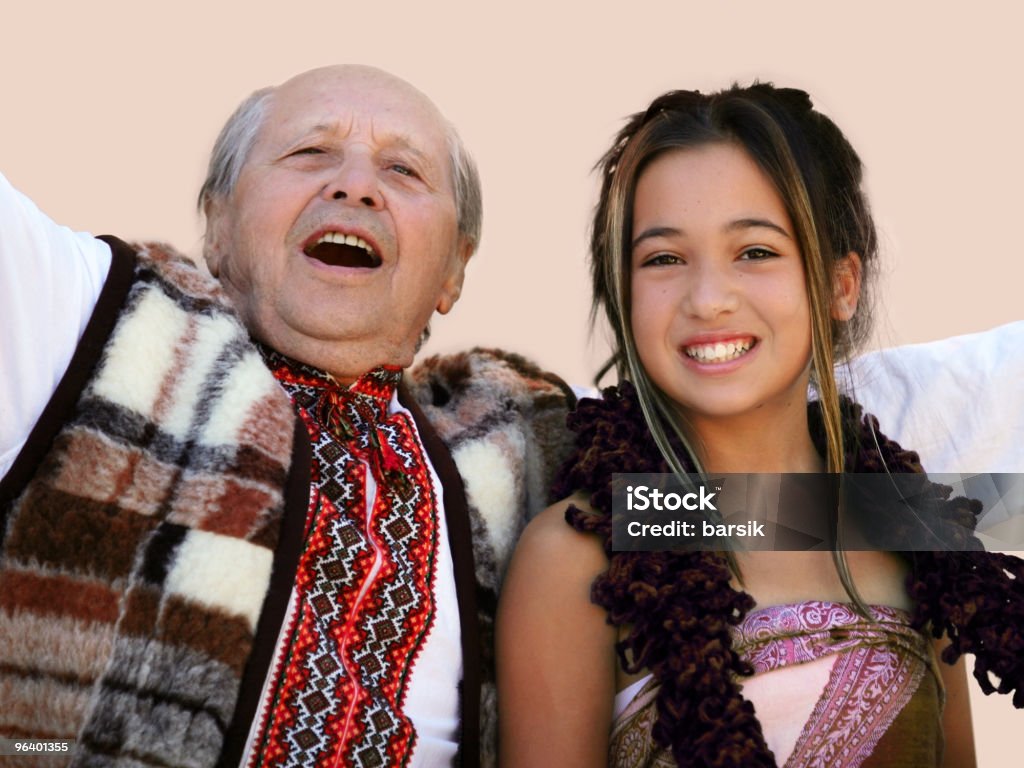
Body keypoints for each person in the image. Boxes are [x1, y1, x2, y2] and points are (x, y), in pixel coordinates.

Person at [0, 65, 573, 767]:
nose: (355, 186)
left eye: (403, 170)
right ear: (217, 223)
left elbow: (741, 510)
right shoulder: (93, 322)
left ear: (456, 267)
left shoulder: (524, 435)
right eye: (309, 153)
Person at [497, 84, 1023, 767]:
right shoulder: (584, 552)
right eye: (663, 259)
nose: (709, 299)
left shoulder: (907, 529)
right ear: (624, 296)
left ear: (841, 284)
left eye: (755, 252)